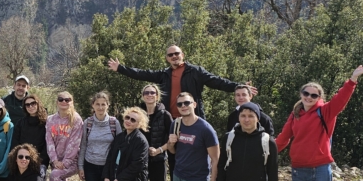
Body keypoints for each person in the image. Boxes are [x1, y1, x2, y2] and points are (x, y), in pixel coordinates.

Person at [107, 46, 256, 119]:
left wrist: (239, 86)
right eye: (170, 55)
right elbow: (141, 74)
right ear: (167, 58)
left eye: (176, 53)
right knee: (173, 155)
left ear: (182, 55)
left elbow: (217, 81)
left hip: (193, 118)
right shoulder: (164, 74)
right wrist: (120, 68)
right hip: (170, 119)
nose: (174, 56)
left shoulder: (195, 71)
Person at [78, 91, 122, 181]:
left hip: (107, 168)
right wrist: (81, 166)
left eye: (103, 104)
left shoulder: (114, 123)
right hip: (90, 165)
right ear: (93, 105)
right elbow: (83, 145)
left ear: (108, 105)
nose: (101, 107)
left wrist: (117, 169)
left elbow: (120, 147)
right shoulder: (88, 123)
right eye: (98, 104)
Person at [140, 84, 173, 181]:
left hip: (159, 160)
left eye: (152, 93)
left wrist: (159, 150)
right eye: (146, 93)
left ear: (157, 96)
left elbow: (173, 140)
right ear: (142, 96)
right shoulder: (138, 113)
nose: (149, 95)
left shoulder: (165, 115)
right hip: (140, 162)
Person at [46, 91, 83, 181]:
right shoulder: (50, 120)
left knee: (55, 176)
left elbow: (75, 143)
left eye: (67, 100)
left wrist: (65, 162)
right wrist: (54, 160)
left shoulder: (76, 120)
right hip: (56, 161)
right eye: (61, 99)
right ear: (57, 102)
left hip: (72, 161)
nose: (64, 102)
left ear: (71, 102)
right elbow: (49, 141)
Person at [10, 94, 49, 168]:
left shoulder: (47, 123)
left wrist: (40, 160)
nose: (30, 106)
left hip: (40, 161)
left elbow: (48, 144)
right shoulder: (20, 123)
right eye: (27, 105)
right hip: (22, 160)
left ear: (38, 104)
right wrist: (20, 158)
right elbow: (15, 143)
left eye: (33, 103)